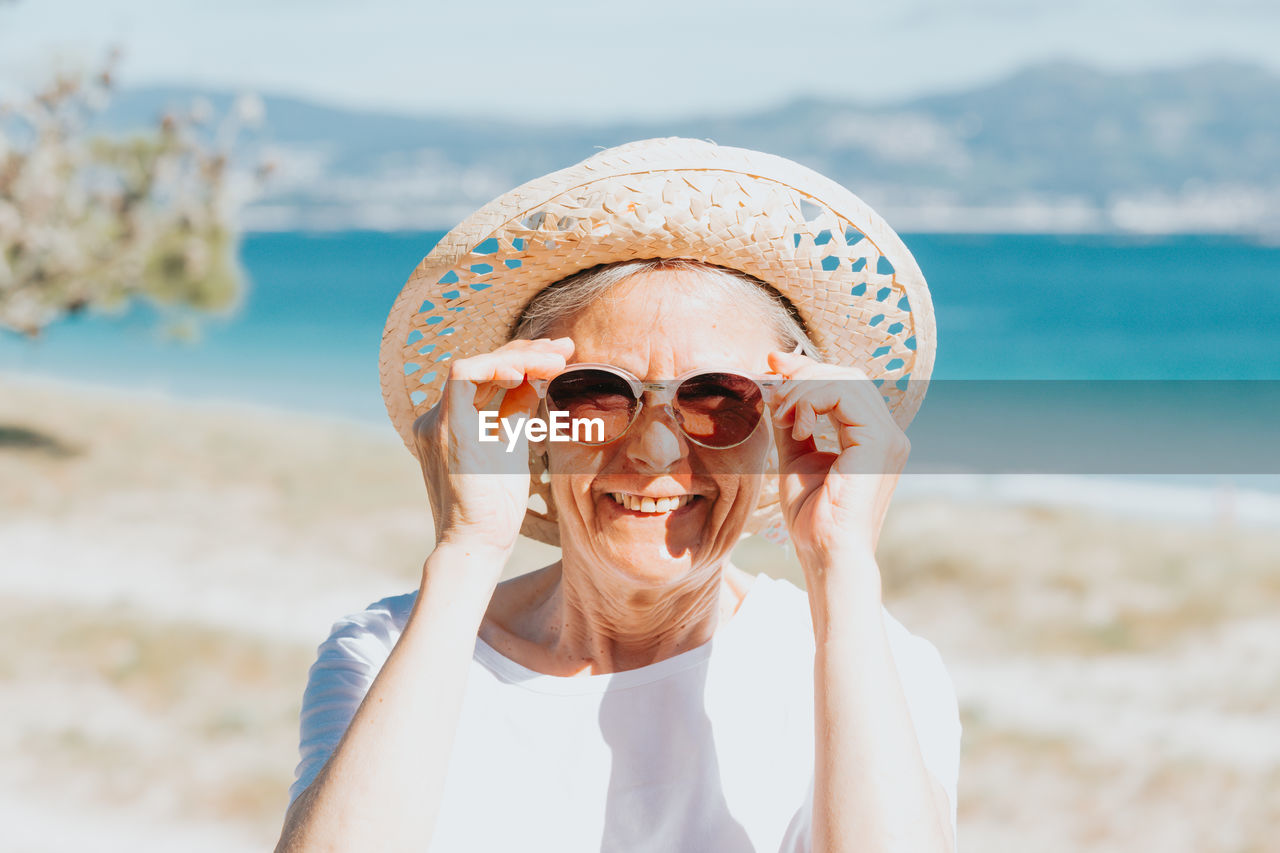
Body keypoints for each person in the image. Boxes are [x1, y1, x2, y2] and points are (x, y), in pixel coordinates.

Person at [275, 138, 960, 853]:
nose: (656, 450)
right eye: (597, 394)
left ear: (786, 426)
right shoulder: (390, 650)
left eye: (719, 398)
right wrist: (467, 550)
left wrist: (841, 565)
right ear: (528, 424)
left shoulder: (878, 670)